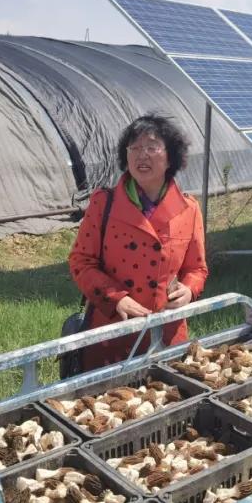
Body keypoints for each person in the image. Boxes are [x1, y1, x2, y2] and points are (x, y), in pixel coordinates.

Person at [68, 114, 208, 371]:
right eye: (134, 148)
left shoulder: (189, 209)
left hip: (167, 332)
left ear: (170, 157)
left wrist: (189, 289)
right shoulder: (103, 203)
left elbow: (197, 269)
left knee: (169, 399)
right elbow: (81, 262)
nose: (142, 155)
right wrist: (116, 298)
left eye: (152, 147)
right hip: (112, 330)